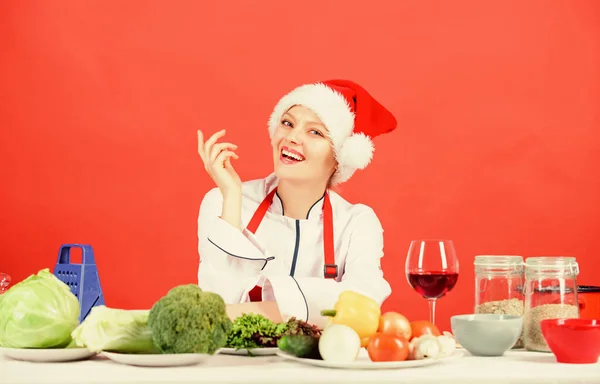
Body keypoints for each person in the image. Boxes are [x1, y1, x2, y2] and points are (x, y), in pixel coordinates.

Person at [196, 79, 397, 328]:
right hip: (235, 364)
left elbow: (364, 304)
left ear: (338, 159)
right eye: (287, 123)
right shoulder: (223, 201)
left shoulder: (357, 223)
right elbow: (216, 308)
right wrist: (232, 196)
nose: (292, 137)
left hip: (322, 366)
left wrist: (261, 295)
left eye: (315, 132)